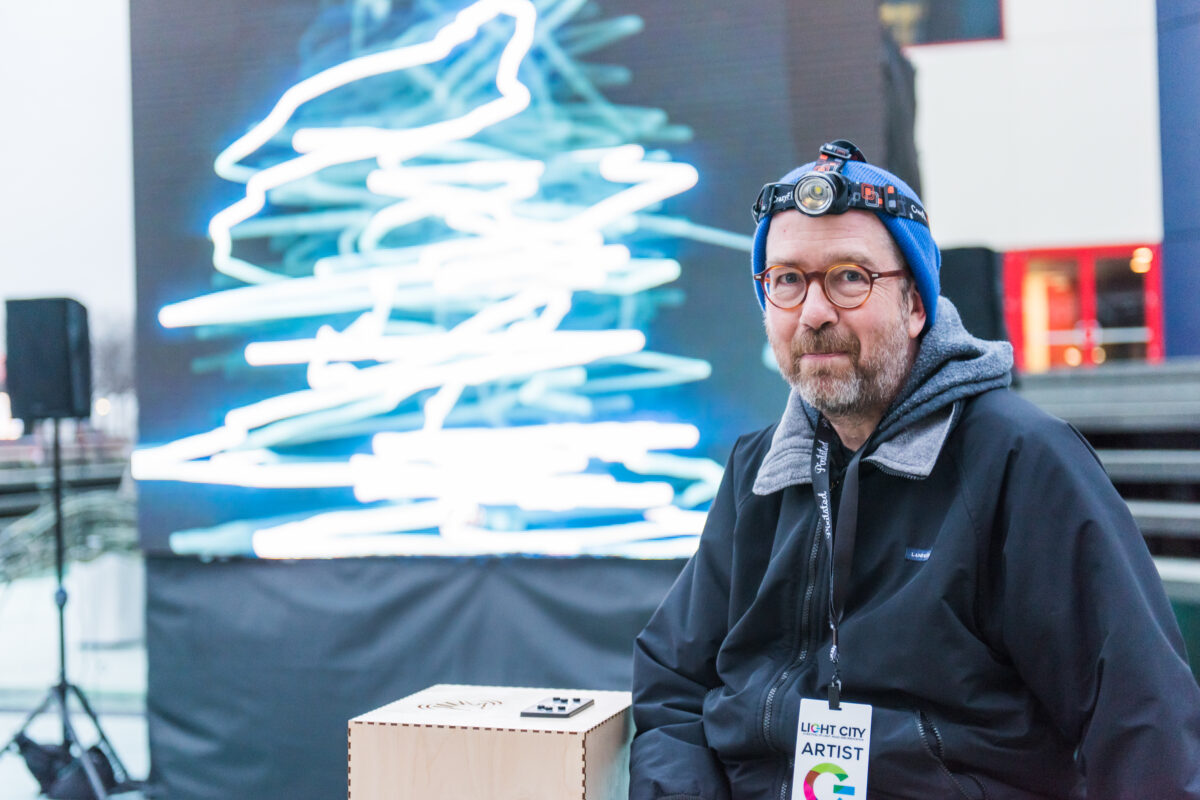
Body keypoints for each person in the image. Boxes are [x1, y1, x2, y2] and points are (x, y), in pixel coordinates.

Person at [629, 140, 1200, 799]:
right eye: (787, 280)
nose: (814, 313)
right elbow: (674, 682)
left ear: (917, 304)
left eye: (849, 277)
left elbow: (1141, 719)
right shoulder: (761, 471)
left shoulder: (1019, 462)